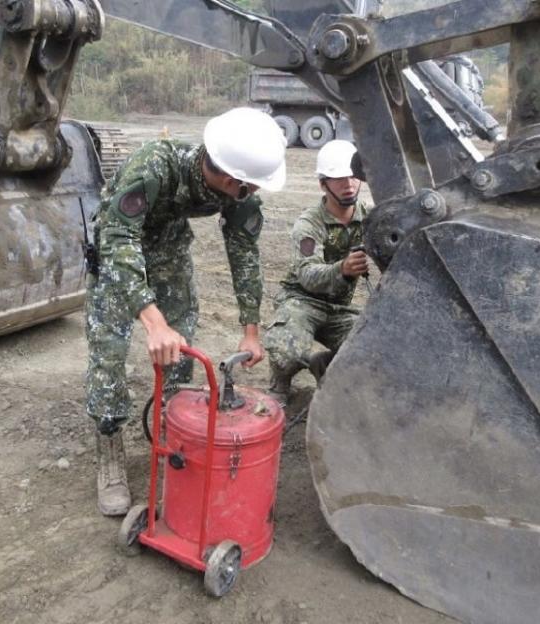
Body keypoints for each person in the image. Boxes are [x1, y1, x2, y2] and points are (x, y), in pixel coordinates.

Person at [85, 108, 286, 516]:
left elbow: (243, 250)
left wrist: (250, 329)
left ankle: (170, 426)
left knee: (181, 346)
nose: (250, 192)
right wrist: (152, 321)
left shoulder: (238, 190)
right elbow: (120, 238)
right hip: (119, 251)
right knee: (109, 351)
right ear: (232, 180)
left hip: (170, 253)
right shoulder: (153, 167)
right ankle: (109, 444)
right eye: (248, 186)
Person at [264, 140, 368, 405]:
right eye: (339, 179)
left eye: (353, 177)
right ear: (323, 184)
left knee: (373, 349)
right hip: (302, 301)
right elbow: (308, 275)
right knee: (287, 349)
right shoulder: (309, 223)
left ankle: (326, 364)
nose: (349, 185)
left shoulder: (369, 219)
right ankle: (281, 380)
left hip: (339, 309)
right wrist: (342, 269)